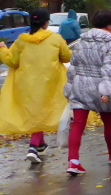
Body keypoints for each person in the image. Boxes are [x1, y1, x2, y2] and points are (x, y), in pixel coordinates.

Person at [0, 9, 71, 163]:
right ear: (46, 23)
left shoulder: (21, 40)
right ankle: (33, 147)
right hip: (50, 82)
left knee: (36, 113)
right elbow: (66, 57)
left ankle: (40, 145)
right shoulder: (55, 39)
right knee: (42, 113)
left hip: (26, 84)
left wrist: (3, 49)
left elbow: (12, 61)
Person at [64, 9, 111, 175]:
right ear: (109, 25)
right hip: (99, 84)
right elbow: (108, 68)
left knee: (78, 123)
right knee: (109, 120)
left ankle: (73, 161)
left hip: (79, 84)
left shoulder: (81, 40)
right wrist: (106, 91)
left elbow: (73, 66)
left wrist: (70, 85)